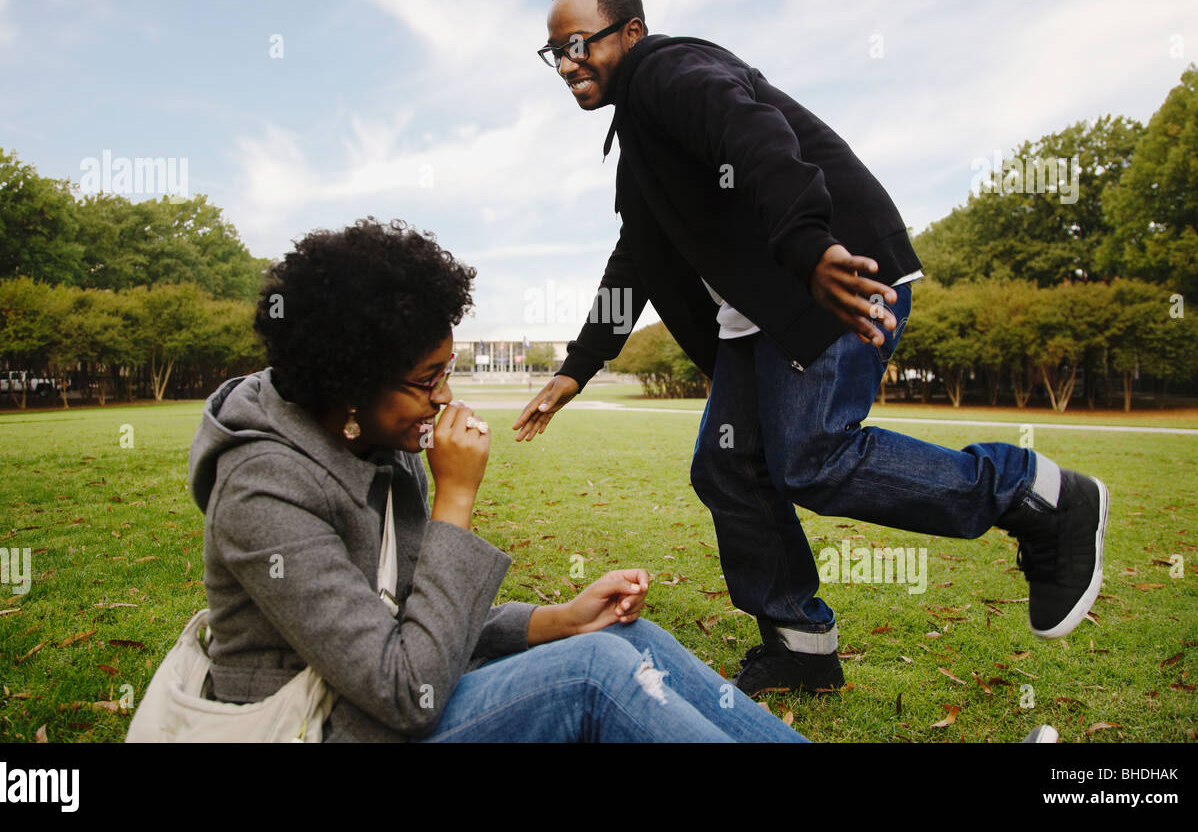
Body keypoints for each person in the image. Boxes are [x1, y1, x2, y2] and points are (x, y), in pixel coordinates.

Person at [513, 0, 1109, 697]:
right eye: (555, 52)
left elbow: (753, 131)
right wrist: (578, 367)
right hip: (764, 313)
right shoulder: (639, 139)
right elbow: (634, 260)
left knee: (814, 457)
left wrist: (808, 244)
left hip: (835, 275)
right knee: (729, 468)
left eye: (578, 43)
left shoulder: (669, 71)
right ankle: (801, 644)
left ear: (630, 32)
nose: (568, 62)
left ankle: (1037, 494)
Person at [188, 217, 805, 742]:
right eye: (427, 380)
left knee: (629, 636)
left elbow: (416, 615)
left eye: (445, 370)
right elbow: (410, 688)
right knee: (593, 674)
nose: (445, 397)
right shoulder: (261, 488)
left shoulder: (380, 438)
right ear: (350, 385)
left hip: (383, 702)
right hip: (322, 727)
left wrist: (559, 619)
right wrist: (455, 499)